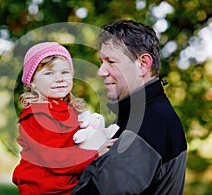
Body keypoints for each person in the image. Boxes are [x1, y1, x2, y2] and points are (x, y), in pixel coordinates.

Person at [72, 20, 187, 195]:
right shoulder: (142, 115)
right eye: (101, 61)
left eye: (111, 61)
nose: (101, 71)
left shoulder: (148, 123)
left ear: (143, 64)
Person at [12, 42, 116, 195]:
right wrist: (95, 154)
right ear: (32, 82)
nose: (59, 79)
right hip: (43, 188)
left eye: (65, 72)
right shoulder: (36, 114)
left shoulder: (68, 109)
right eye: (49, 73)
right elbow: (54, 158)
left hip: (66, 183)